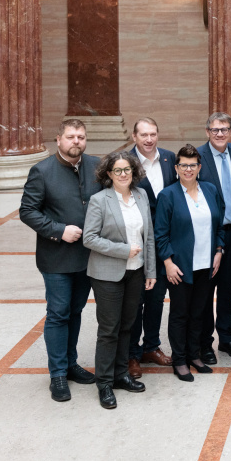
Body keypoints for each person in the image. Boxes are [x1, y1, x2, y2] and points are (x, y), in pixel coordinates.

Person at [19, 119, 102, 402]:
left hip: (87, 258)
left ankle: (70, 363)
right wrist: (59, 231)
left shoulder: (96, 165)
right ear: (59, 140)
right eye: (70, 137)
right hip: (56, 258)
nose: (76, 141)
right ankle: (57, 374)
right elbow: (28, 211)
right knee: (58, 313)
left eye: (80, 136)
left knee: (76, 311)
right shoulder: (42, 171)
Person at [83, 151, 155, 409]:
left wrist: (151, 271)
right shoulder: (99, 200)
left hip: (136, 271)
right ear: (108, 174)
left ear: (134, 172)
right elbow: (89, 238)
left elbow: (149, 237)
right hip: (107, 274)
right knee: (109, 329)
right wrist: (123, 250)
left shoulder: (141, 195)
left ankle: (120, 373)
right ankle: (104, 383)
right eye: (118, 170)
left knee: (128, 325)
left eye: (127, 169)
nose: (123, 174)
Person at [155, 144, 224, 382]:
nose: (188, 169)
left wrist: (218, 250)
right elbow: (160, 234)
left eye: (192, 165)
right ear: (176, 168)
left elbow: (219, 224)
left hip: (207, 264)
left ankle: (195, 355)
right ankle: (180, 359)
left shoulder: (210, 190)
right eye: (183, 165)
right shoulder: (168, 195)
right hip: (180, 266)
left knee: (199, 313)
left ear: (199, 167)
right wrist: (168, 262)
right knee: (180, 314)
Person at [127, 117, 177, 378]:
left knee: (156, 299)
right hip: (135, 243)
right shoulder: (124, 162)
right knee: (135, 301)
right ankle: (132, 354)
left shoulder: (169, 159)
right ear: (134, 137)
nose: (149, 139)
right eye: (143, 135)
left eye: (153, 134)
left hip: (163, 243)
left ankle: (151, 347)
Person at [196, 112, 231, 363]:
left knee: (228, 289)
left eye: (224, 129)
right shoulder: (197, 157)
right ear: (207, 132)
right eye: (215, 130)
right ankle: (206, 343)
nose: (220, 134)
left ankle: (226, 339)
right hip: (209, 235)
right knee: (206, 290)